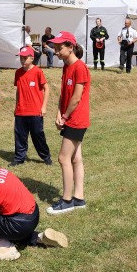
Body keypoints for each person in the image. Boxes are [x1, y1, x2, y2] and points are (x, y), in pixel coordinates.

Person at [46, 31, 90, 214]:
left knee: (63, 158)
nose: (55, 52)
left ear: (71, 47)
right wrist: (58, 113)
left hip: (76, 119)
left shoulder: (80, 67)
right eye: (54, 48)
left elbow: (76, 98)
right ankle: (78, 198)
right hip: (68, 117)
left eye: (59, 48)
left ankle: (67, 200)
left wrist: (64, 117)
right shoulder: (66, 67)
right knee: (76, 159)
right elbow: (64, 94)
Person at [10, 46, 52, 167]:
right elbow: (18, 91)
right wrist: (16, 106)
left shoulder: (38, 72)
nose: (22, 61)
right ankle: (19, 158)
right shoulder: (18, 73)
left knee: (38, 135)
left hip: (35, 111)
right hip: (21, 111)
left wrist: (44, 107)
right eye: (21, 58)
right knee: (20, 136)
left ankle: (46, 157)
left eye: (24, 58)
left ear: (31, 58)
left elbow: (46, 88)